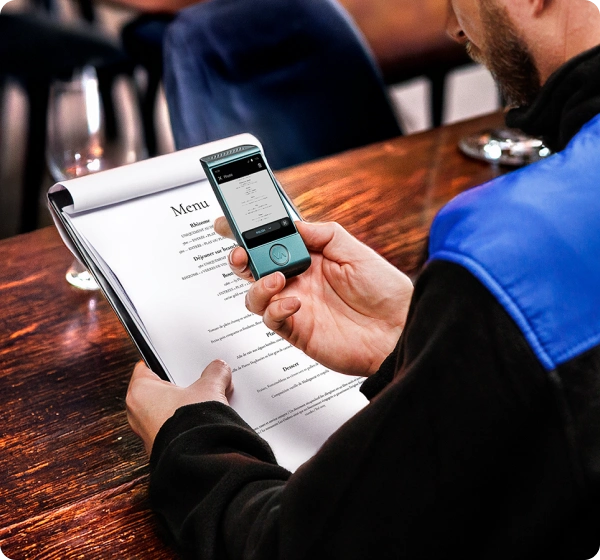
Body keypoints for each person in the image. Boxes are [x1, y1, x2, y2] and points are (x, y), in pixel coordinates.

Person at [126, 0, 600, 557]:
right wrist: (425, 342)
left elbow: (305, 545)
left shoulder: (513, 243)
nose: (452, 24)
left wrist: (186, 438)